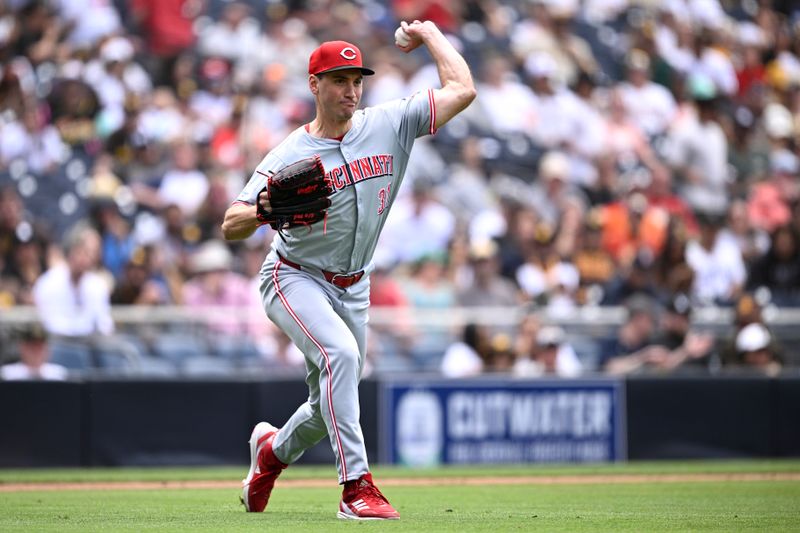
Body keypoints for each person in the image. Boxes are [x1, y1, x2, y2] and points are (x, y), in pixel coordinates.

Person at [221, 22, 475, 520]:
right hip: (294, 275)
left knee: (328, 402)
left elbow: (463, 89)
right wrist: (267, 211)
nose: (351, 90)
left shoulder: (389, 123)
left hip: (355, 283)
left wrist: (429, 33)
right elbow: (230, 224)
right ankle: (356, 487)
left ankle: (271, 453)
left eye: (356, 79)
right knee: (340, 356)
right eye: (339, 80)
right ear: (314, 85)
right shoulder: (290, 154)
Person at [0, 323, 68, 381]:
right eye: (32, 347)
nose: (36, 352)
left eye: (40, 348)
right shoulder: (8, 374)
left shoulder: (58, 374)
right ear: (22, 348)